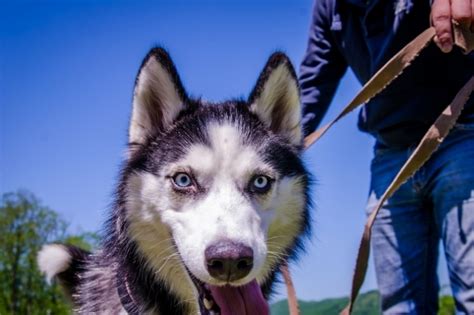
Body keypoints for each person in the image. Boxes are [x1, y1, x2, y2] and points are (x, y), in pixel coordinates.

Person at [299, 0, 474, 313]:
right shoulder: (330, 8)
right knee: (398, 307)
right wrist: (270, 145)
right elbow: (313, 82)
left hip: (462, 135)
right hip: (390, 157)